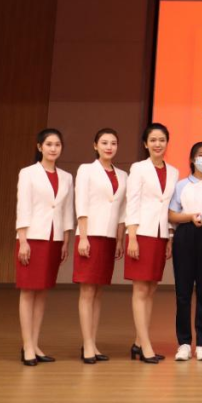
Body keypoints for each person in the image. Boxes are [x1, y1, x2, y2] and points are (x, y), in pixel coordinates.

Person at [16, 128, 74, 366]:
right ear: (40, 147)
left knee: (42, 292)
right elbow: (23, 206)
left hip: (54, 238)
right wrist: (23, 240)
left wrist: (66, 240)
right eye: (49, 144)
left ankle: (35, 343)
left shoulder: (66, 177)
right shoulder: (28, 173)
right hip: (32, 238)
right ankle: (27, 345)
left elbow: (67, 209)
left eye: (57, 145)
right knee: (28, 291)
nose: (53, 148)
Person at [125, 123, 178, 364]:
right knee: (140, 289)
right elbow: (132, 202)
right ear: (145, 144)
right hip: (141, 233)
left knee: (151, 289)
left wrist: (169, 237)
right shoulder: (138, 168)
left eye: (162, 140)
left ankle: (138, 342)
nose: (158, 144)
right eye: (153, 140)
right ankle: (146, 345)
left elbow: (169, 208)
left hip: (160, 235)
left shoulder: (174, 172)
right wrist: (132, 237)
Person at [168, 142, 202, 362]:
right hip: (185, 235)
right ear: (192, 159)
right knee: (183, 293)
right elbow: (172, 214)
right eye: (201, 155)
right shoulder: (181, 185)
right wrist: (190, 217)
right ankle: (183, 343)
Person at [74, 128, 126, 364]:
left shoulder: (123, 175)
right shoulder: (86, 170)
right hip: (90, 235)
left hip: (109, 238)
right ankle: (86, 344)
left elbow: (122, 211)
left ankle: (93, 342)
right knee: (87, 291)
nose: (109, 147)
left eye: (113, 143)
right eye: (104, 142)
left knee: (98, 292)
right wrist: (83, 236)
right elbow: (81, 204)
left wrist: (120, 239)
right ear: (95, 145)